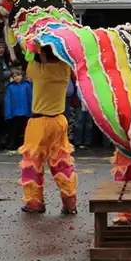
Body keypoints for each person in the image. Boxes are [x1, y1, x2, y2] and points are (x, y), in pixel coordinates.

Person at [19, 46, 78, 215]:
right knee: (62, 162)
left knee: (32, 163)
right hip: (59, 120)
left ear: (43, 55)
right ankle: (69, 201)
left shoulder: (39, 70)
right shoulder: (65, 68)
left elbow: (23, 53)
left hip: (39, 121)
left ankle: (35, 202)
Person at [4, 67, 32, 150]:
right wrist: (8, 114)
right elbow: (7, 101)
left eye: (19, 75)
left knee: (24, 129)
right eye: (15, 76)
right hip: (14, 113)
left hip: (25, 112)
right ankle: (12, 144)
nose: (17, 77)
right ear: (12, 77)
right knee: (13, 130)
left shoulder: (27, 85)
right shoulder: (10, 87)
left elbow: (30, 98)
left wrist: (32, 110)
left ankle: (24, 144)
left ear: (22, 76)